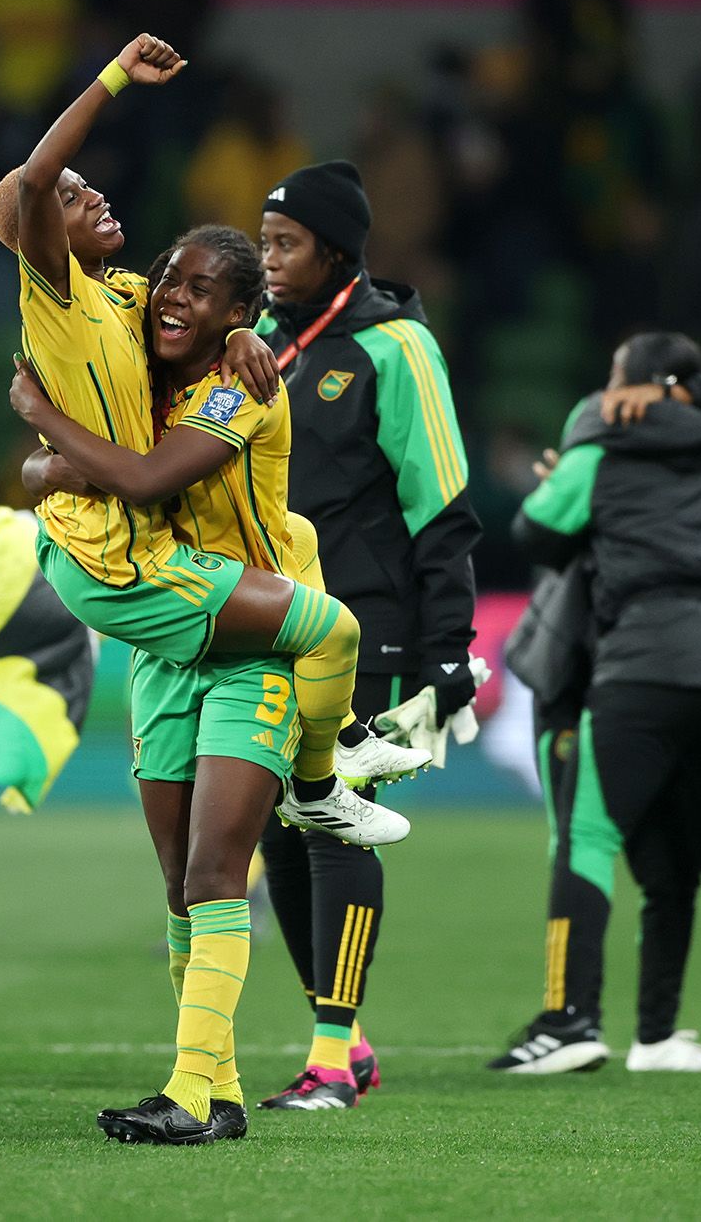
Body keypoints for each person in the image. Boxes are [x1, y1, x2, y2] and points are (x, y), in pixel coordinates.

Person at [0, 32, 425, 846]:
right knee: (328, 626)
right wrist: (115, 76)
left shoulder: (119, 292)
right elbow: (36, 179)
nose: (95, 197)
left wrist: (240, 335)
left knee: (297, 533)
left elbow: (171, 332)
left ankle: (334, 746)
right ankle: (320, 776)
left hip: (124, 525)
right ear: (45, 228)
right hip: (112, 554)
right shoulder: (53, 294)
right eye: (77, 198)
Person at [12, 224, 318, 1144]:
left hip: (250, 636)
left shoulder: (241, 384)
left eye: (202, 290)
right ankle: (216, 1092)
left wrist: (44, 422)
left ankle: (189, 1093)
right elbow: (46, 476)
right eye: (167, 280)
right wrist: (47, 457)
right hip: (167, 646)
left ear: (241, 314)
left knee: (217, 868)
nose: (173, 297)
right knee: (182, 885)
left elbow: (144, 480)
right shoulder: (135, 369)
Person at [250, 160, 483, 1110]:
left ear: (336, 253)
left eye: (285, 243)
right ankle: (345, 1037)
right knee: (277, 838)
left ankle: (332, 1055)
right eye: (263, 242)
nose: (267, 260)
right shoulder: (261, 340)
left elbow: (444, 507)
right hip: (267, 621)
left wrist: (447, 649)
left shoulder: (397, 349)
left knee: (336, 830)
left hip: (366, 634)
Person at [493, 363, 701, 1075]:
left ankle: (571, 1019)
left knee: (584, 836)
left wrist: (578, 465)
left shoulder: (599, 446)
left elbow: (534, 530)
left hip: (636, 662)